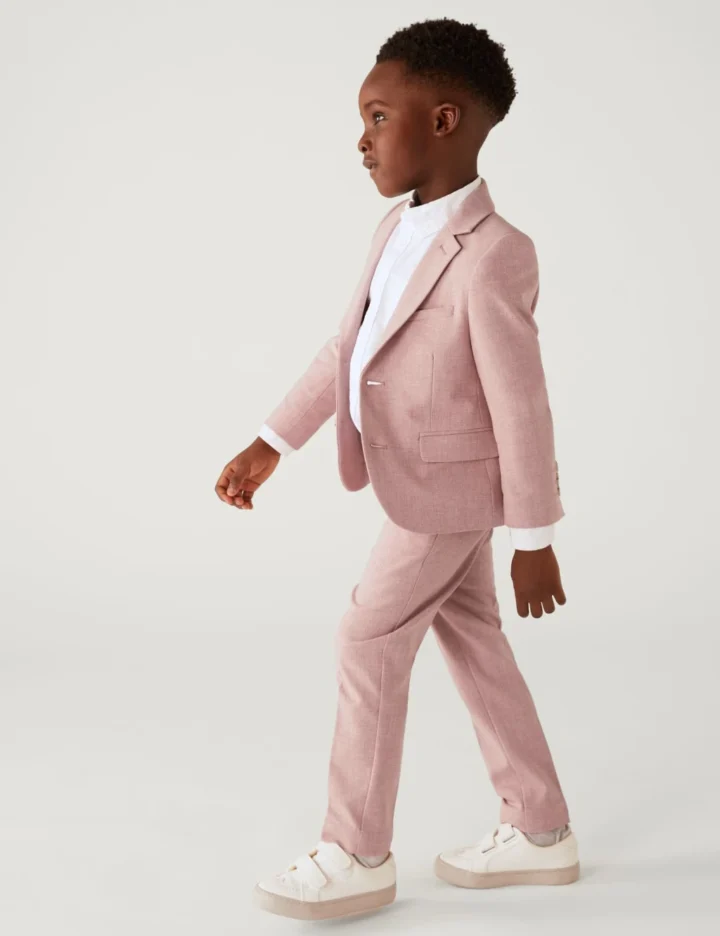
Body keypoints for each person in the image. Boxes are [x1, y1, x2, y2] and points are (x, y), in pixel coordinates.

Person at [215, 16, 579, 922]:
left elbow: (522, 405)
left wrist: (534, 535)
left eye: (379, 117)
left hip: (448, 499)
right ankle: (540, 828)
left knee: (367, 640)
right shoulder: (394, 228)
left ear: (444, 120)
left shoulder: (496, 254)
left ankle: (356, 852)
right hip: (422, 488)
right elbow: (348, 347)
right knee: (475, 643)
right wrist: (273, 441)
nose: (362, 139)